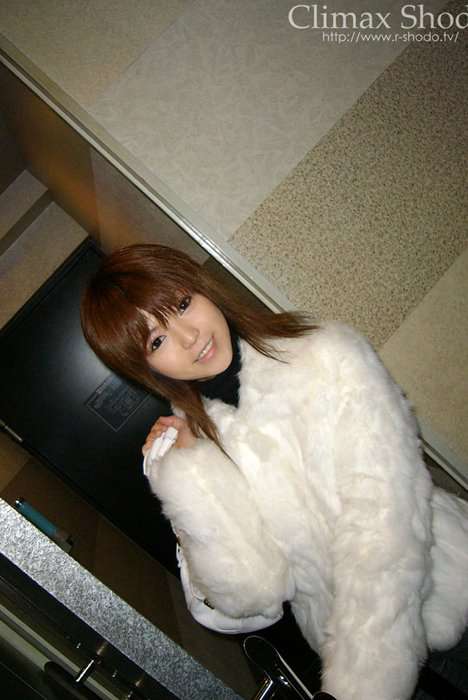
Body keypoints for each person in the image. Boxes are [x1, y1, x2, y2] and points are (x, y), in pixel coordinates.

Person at [81, 243, 468, 700]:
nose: (189, 337)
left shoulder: (324, 353)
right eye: (157, 341)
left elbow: (386, 516)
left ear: (202, 288)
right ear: (144, 367)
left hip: (442, 600)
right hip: (352, 655)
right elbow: (254, 592)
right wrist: (185, 477)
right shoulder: (199, 442)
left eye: (182, 304)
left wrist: (366, 677)